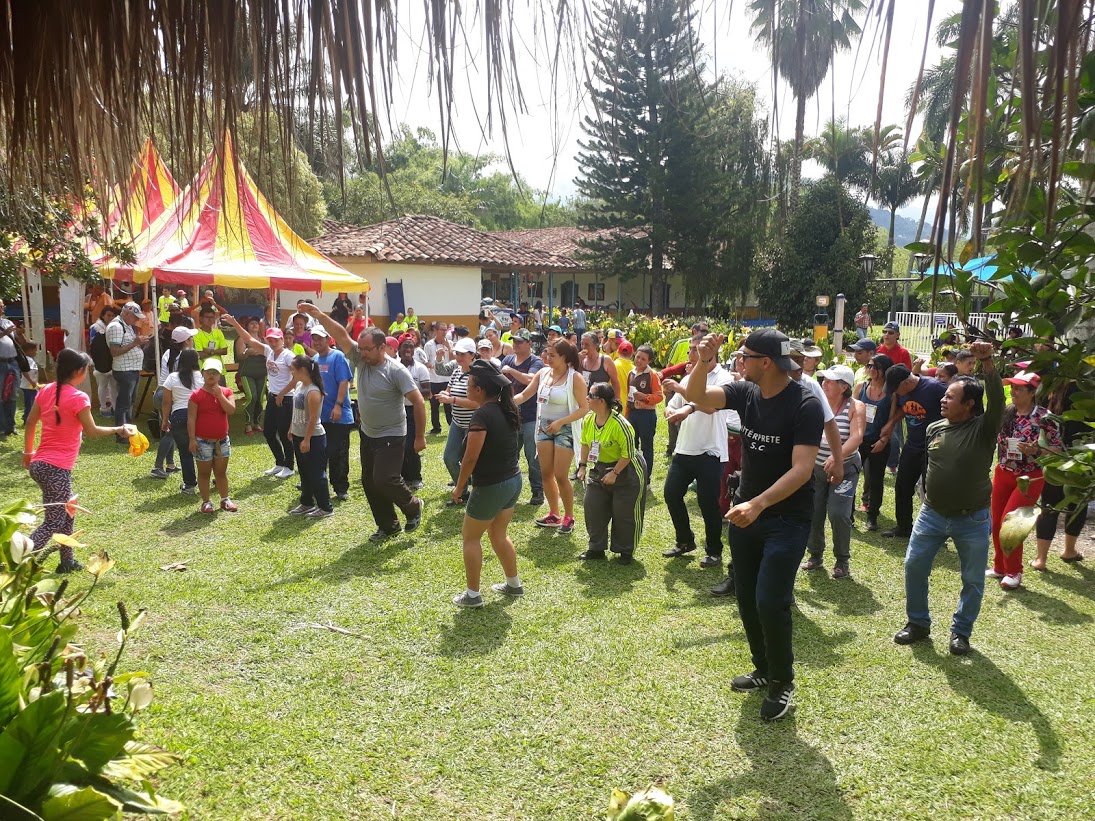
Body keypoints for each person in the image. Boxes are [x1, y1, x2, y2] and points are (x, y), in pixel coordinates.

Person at [685, 329, 824, 722]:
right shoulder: (746, 393)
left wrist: (758, 503)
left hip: (786, 519)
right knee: (746, 597)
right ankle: (763, 670)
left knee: (769, 599)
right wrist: (702, 360)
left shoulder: (805, 404)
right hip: (747, 515)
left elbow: (801, 470)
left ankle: (782, 681)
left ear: (767, 362)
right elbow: (698, 397)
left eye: (745, 355)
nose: (739, 361)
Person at [894, 342, 1003, 656]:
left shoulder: (984, 428)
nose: (942, 399)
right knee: (914, 565)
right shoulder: (935, 428)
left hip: (972, 518)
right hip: (932, 513)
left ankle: (961, 632)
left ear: (968, 404)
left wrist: (988, 362)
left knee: (972, 579)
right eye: (944, 394)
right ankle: (918, 623)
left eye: (950, 396)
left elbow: (995, 398)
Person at [303, 306, 427, 540]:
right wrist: (319, 315)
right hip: (367, 432)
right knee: (369, 482)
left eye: (367, 349)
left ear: (382, 347)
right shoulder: (362, 360)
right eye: (360, 348)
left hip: (391, 434)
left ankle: (413, 506)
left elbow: (419, 402)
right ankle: (388, 525)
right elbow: (340, 335)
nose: (362, 353)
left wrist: (420, 437)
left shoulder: (396, 371)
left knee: (384, 478)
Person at [23, 349, 138, 572]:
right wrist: (120, 429)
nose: (88, 372)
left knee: (67, 511)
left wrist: (28, 453)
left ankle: (67, 562)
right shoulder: (78, 397)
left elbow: (30, 422)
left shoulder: (46, 391)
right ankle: (16, 559)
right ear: (78, 371)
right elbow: (92, 431)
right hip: (55, 468)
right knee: (53, 521)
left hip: (40, 464)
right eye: (87, 369)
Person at [451, 360, 525, 607]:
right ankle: (514, 585)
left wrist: (459, 487)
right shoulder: (508, 407)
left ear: (479, 390)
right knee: (498, 533)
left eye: (469, 385)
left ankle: (472, 595)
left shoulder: (482, 414)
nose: (466, 388)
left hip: (492, 486)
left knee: (471, 538)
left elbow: (471, 457)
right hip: (512, 481)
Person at [661, 341, 734, 569]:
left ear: (711, 352)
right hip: (685, 448)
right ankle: (685, 541)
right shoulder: (688, 377)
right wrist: (671, 410)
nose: (691, 353)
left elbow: (712, 407)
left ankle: (714, 551)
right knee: (671, 494)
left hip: (710, 450)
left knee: (707, 503)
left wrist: (683, 393)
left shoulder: (724, 378)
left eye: (695, 349)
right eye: (691, 349)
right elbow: (672, 404)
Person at [987, 371, 1059, 588]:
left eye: (1019, 388)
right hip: (1003, 472)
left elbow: (1056, 450)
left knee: (1013, 523)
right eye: (1013, 387)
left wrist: (1036, 450)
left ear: (1032, 391)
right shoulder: (1007, 412)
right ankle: (1000, 566)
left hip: (1030, 477)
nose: (1014, 392)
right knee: (998, 521)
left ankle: (1014, 571)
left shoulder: (1044, 417)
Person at [514, 339, 589, 535]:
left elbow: (584, 409)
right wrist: (506, 402)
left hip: (564, 430)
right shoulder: (542, 373)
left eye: (552, 355)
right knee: (546, 473)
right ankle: (554, 514)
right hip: (544, 428)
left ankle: (569, 517)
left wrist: (561, 422)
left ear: (564, 357)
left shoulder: (575, 378)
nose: (547, 358)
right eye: (546, 353)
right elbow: (524, 395)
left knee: (560, 475)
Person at [802, 365, 865, 578]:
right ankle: (815, 555)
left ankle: (842, 561)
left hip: (845, 469)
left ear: (844, 387)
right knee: (814, 512)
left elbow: (856, 437)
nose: (824, 383)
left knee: (838, 514)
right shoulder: (816, 403)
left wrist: (835, 457)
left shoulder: (856, 406)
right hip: (816, 469)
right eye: (824, 379)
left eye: (830, 381)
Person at [221, 312, 296, 478]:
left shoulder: (288, 356)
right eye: (270, 339)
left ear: (282, 340)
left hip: (287, 399)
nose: (273, 342)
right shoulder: (268, 351)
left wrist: (282, 394)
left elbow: (298, 377)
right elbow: (248, 339)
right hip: (273, 397)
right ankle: (280, 462)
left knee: (285, 434)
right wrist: (234, 324)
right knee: (269, 432)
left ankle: (290, 466)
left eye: (276, 339)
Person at [577, 381, 646, 563]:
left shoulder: (620, 424)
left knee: (624, 512)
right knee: (593, 507)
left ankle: (625, 551)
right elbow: (585, 443)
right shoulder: (588, 419)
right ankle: (596, 548)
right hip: (600, 467)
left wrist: (615, 473)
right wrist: (582, 465)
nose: (586, 398)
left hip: (626, 468)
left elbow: (629, 454)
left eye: (590, 396)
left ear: (601, 401)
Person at [878, 364, 948, 538]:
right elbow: (904, 407)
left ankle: (936, 531)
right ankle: (903, 528)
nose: (896, 393)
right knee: (902, 486)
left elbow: (954, 408)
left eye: (896, 389)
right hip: (912, 445)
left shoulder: (935, 388)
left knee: (931, 489)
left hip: (935, 447)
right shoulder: (904, 392)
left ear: (907, 382)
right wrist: (891, 423)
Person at [1032, 379, 1088, 569]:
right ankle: (1069, 550)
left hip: (1054, 454)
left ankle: (1041, 559)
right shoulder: (1086, 390)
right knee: (1078, 503)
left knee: (1049, 504)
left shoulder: (1052, 386)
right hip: (1082, 455)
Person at [499, 328, 545, 506]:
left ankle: (537, 491)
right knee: (509, 456)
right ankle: (508, 490)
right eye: (514, 341)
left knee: (532, 457)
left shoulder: (536, 361)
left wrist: (511, 371)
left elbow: (530, 380)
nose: (515, 344)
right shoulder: (508, 359)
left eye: (519, 341)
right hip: (510, 416)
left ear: (529, 344)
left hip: (530, 416)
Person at [186, 358, 237, 513]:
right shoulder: (196, 395)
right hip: (202, 441)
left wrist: (220, 395)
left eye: (215, 373)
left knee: (221, 472)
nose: (211, 376)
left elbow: (231, 410)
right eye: (209, 372)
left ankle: (224, 499)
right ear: (203, 373)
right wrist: (192, 439)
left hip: (221, 440)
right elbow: (191, 418)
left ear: (220, 375)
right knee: (204, 472)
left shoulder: (227, 392)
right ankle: (206, 501)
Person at [311, 326, 355, 501]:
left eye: (320, 338)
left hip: (339, 415)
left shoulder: (337, 357)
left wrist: (338, 405)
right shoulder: (314, 359)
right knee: (321, 452)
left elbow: (344, 382)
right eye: (314, 338)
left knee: (338, 452)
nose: (317, 341)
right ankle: (319, 485)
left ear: (328, 338)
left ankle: (340, 487)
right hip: (320, 415)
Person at [286, 355, 333, 518]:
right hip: (299, 435)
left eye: (293, 368)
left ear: (303, 370)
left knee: (316, 473)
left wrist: (307, 439)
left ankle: (325, 507)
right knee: (304, 472)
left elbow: (313, 418)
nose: (291, 371)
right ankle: (306, 503)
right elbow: (297, 411)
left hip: (313, 438)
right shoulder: (299, 385)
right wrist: (292, 428)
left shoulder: (313, 391)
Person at [150, 325, 198, 479]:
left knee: (170, 430)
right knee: (171, 432)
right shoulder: (183, 356)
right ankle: (157, 467)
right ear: (186, 341)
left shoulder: (169, 353)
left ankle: (170, 464)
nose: (192, 340)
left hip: (162, 392)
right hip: (169, 395)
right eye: (190, 338)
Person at [435, 339, 477, 503]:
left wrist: (452, 400)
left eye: (463, 354)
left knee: (473, 462)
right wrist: (444, 395)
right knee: (450, 458)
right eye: (457, 353)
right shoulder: (457, 371)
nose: (458, 357)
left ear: (472, 355)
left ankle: (477, 493)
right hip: (457, 422)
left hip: (474, 426)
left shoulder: (478, 375)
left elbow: (477, 403)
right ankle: (463, 490)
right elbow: (449, 390)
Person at [856, 353, 894, 531]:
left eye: (875, 367)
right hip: (859, 440)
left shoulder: (891, 393)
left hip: (879, 442)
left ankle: (872, 517)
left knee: (876, 480)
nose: (870, 370)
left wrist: (884, 439)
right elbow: (852, 413)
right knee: (852, 476)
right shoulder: (861, 387)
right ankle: (848, 513)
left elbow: (893, 419)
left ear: (884, 370)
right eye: (869, 366)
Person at [107, 301, 152, 443]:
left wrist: (138, 342)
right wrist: (135, 343)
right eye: (135, 317)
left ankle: (128, 430)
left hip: (131, 369)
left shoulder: (126, 325)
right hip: (125, 370)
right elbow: (114, 352)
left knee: (129, 402)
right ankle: (121, 435)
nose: (137, 320)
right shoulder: (116, 326)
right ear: (126, 313)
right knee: (124, 404)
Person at [160, 349, 202, 495]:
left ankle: (190, 485)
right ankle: (213, 478)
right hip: (200, 415)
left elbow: (166, 402)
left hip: (179, 415)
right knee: (208, 449)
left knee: (185, 452)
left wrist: (165, 420)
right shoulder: (202, 376)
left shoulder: (172, 377)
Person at [398, 337, 432, 490]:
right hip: (397, 410)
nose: (408, 350)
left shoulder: (420, 368)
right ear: (399, 349)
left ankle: (416, 477)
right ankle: (403, 477)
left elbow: (427, 391)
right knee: (399, 445)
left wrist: (409, 392)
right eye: (405, 347)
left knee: (412, 445)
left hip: (413, 411)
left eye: (411, 347)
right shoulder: (394, 367)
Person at [626, 344, 663, 484]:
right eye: (637, 357)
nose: (639, 360)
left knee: (646, 447)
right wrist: (627, 413)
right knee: (631, 445)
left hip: (646, 416)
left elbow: (659, 396)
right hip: (633, 414)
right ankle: (633, 474)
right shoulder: (631, 373)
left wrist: (645, 397)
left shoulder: (652, 375)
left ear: (649, 361)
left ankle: (646, 479)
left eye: (643, 359)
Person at [236, 316, 268, 435]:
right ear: (247, 327)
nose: (254, 325)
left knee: (260, 398)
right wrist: (247, 353)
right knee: (251, 396)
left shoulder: (263, 340)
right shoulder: (242, 339)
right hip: (247, 372)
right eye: (251, 323)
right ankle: (248, 423)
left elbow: (269, 353)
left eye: (256, 323)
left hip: (262, 371)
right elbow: (240, 355)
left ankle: (256, 422)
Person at [89, 305, 119, 419]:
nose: (110, 317)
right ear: (103, 315)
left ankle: (115, 407)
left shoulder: (115, 327)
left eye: (112, 315)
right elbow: (93, 346)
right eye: (108, 315)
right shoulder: (95, 328)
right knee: (102, 384)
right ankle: (103, 407)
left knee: (114, 385)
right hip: (100, 361)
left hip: (113, 360)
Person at [424, 322, 453, 433]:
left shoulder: (449, 343)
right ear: (436, 331)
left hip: (447, 379)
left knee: (448, 406)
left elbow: (453, 359)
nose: (444, 332)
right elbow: (425, 361)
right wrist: (430, 365)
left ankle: (452, 426)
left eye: (446, 330)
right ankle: (436, 427)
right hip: (434, 379)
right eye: (442, 330)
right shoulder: (429, 345)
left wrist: (448, 347)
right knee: (434, 406)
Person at [579, 331, 621, 402]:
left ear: (596, 345)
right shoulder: (580, 359)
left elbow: (615, 382)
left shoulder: (606, 360)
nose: (583, 347)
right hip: (583, 403)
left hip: (600, 403)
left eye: (587, 345)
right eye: (582, 344)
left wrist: (617, 400)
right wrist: (577, 361)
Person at [19, 339, 39, 425]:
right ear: (29, 350)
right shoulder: (27, 360)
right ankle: (27, 419)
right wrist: (31, 381)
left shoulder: (30, 359)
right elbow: (25, 371)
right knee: (30, 403)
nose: (36, 352)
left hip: (31, 385)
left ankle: (29, 417)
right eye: (35, 350)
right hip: (28, 386)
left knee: (32, 402)